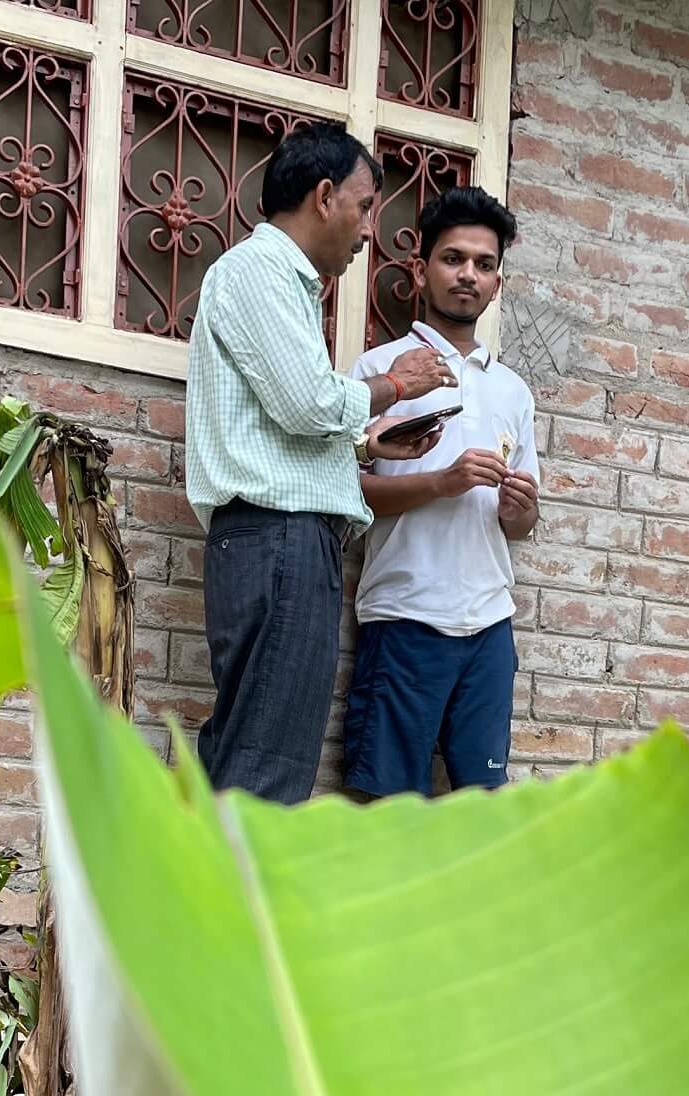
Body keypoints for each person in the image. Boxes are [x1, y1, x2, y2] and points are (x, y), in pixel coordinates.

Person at [185, 124, 456, 802]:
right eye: (364, 208)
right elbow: (307, 404)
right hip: (280, 539)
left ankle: (209, 873)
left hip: (275, 538)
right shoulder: (260, 271)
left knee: (248, 755)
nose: (369, 231)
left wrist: (364, 446)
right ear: (325, 195)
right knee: (266, 773)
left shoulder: (277, 280)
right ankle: (236, 879)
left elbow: (274, 428)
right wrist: (396, 384)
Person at [344, 186, 540, 799]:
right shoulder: (378, 374)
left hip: (490, 623)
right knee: (389, 807)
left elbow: (520, 527)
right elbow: (349, 497)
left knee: (482, 808)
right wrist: (441, 483)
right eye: (453, 259)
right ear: (420, 269)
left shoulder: (513, 391)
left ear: (497, 283)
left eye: (484, 264)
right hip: (404, 612)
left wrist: (521, 511)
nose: (468, 275)